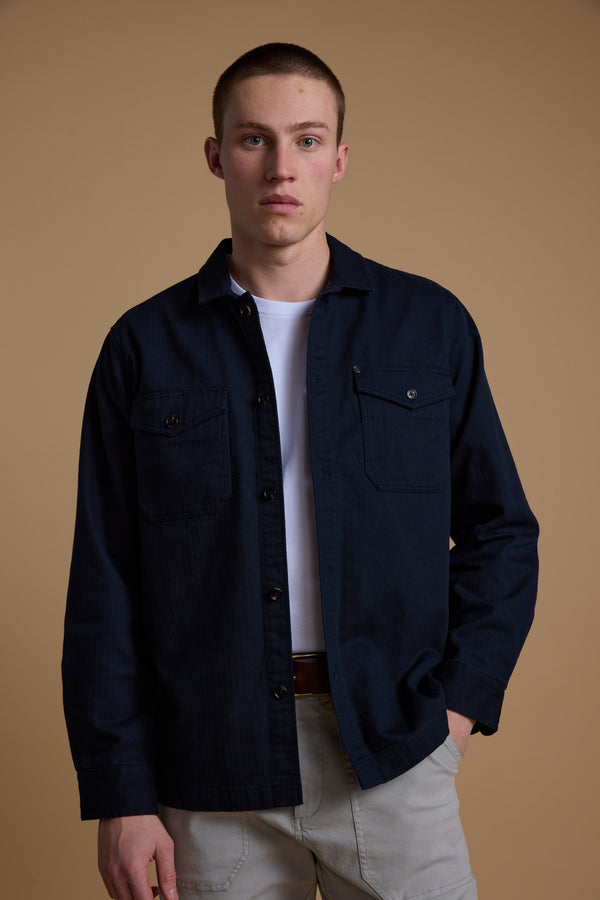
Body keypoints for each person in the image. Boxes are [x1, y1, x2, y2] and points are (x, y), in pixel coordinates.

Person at [62, 42, 538, 900]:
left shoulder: (429, 328)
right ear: (216, 155)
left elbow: (503, 530)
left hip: (390, 754)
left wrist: (456, 712)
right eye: (254, 139)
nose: (282, 167)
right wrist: (121, 795)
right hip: (209, 775)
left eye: (308, 140)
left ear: (340, 159)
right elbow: (106, 579)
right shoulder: (143, 347)